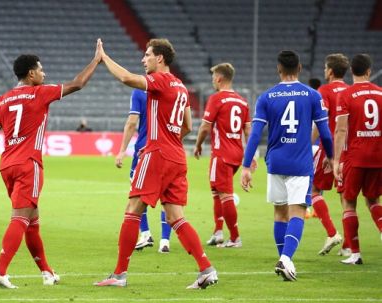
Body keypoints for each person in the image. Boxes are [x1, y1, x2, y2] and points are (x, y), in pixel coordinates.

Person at [0, 46, 101, 288]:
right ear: (31, 74)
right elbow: (78, 83)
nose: (45, 74)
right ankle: (0, 269)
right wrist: (96, 60)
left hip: (6, 165)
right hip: (28, 165)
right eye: (41, 70)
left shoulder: (3, 99)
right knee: (20, 218)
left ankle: (47, 272)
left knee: (32, 220)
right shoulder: (40, 93)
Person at [94, 38, 218, 289]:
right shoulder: (181, 87)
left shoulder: (159, 81)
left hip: (156, 154)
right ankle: (206, 269)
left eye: (147, 55)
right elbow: (188, 126)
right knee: (175, 216)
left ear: (159, 58)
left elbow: (128, 79)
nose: (143, 59)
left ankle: (119, 275)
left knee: (132, 209)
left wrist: (103, 58)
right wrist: (171, 139)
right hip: (176, 156)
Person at [241, 50, 334, 282]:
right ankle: (286, 259)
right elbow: (325, 133)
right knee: (297, 213)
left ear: (278, 69)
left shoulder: (266, 97)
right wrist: (332, 157)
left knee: (280, 213)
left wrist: (245, 166)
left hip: (276, 162)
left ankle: (284, 259)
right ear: (299, 68)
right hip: (300, 163)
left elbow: (254, 135)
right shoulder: (312, 95)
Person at [193, 63, 253, 248]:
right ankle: (218, 232)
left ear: (219, 78)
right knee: (217, 192)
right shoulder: (243, 102)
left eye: (213, 77)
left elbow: (205, 126)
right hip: (237, 154)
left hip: (222, 154)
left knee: (225, 195)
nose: (213, 81)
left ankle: (235, 238)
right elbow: (249, 131)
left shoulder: (216, 99)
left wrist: (198, 145)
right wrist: (249, 157)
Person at [333, 53, 382, 265]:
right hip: (378, 156)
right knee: (373, 199)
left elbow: (341, 129)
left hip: (355, 156)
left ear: (351, 71)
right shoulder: (381, 94)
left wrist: (336, 160)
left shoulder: (346, 95)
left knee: (349, 203)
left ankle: (355, 253)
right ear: (369, 71)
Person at [115, 88, 172, 253]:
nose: (143, 60)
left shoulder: (140, 91)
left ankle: (145, 234)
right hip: (168, 151)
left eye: (146, 59)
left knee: (136, 194)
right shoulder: (173, 89)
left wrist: (122, 150)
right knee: (166, 196)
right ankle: (165, 241)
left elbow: (132, 122)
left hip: (145, 150)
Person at [310, 54, 350, 256]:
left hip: (330, 149)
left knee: (313, 190)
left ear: (331, 71)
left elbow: (321, 121)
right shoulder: (351, 91)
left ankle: (332, 233)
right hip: (350, 151)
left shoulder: (324, 91)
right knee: (346, 199)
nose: (324, 71)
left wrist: (308, 144)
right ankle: (349, 245)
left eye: (326, 67)